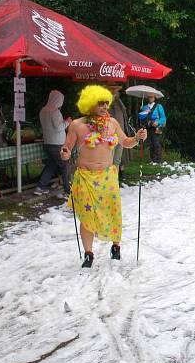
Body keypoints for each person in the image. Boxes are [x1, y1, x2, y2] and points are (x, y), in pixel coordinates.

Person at [60, 85, 147, 268]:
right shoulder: (77, 125)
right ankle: (89, 254)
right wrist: (65, 153)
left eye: (106, 103)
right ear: (89, 103)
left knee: (113, 212)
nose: (104, 107)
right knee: (87, 216)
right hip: (85, 177)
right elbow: (66, 147)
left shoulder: (112, 123)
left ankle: (116, 246)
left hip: (107, 178)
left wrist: (137, 138)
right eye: (100, 103)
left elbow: (126, 142)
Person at [35, 90, 71, 196]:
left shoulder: (43, 110)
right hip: (57, 144)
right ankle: (67, 190)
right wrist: (67, 122)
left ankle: (40, 187)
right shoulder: (55, 111)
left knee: (51, 165)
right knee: (64, 166)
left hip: (47, 142)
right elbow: (59, 127)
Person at [106, 82, 132, 183]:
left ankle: (114, 181)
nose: (114, 91)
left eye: (116, 89)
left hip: (120, 134)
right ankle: (108, 182)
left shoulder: (119, 102)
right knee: (109, 160)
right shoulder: (106, 102)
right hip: (110, 135)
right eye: (112, 89)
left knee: (117, 160)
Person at [140, 93, 166, 162]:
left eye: (152, 97)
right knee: (150, 143)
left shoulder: (158, 106)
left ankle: (157, 159)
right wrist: (142, 112)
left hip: (156, 127)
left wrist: (158, 122)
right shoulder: (144, 107)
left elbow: (163, 118)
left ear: (154, 98)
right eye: (149, 97)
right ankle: (152, 159)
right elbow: (141, 118)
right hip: (148, 127)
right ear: (148, 98)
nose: (151, 98)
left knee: (156, 143)